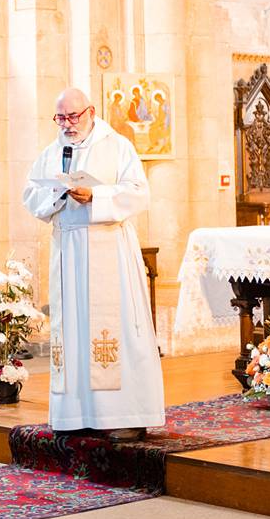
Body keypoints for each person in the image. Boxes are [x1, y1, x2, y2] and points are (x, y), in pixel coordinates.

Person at [20, 87, 164, 439]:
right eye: (61, 118)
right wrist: (58, 192)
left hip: (108, 249)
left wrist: (96, 196)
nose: (67, 124)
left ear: (91, 111)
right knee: (72, 330)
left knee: (115, 331)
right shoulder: (52, 152)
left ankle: (124, 416)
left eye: (73, 117)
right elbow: (31, 195)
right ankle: (76, 415)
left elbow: (138, 192)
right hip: (68, 250)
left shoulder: (117, 146)